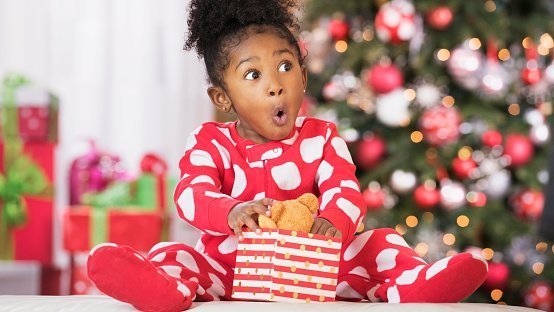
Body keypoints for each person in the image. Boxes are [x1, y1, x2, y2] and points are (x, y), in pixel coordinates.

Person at [87, 0, 488, 311]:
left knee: (381, 243)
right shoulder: (211, 141)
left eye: (284, 65)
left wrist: (334, 220)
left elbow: (344, 189)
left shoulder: (323, 137)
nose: (275, 85)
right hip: (233, 268)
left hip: (318, 270)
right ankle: (162, 287)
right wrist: (230, 211)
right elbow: (191, 193)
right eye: (253, 75)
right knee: (177, 254)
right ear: (223, 98)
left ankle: (415, 283)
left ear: (304, 75)